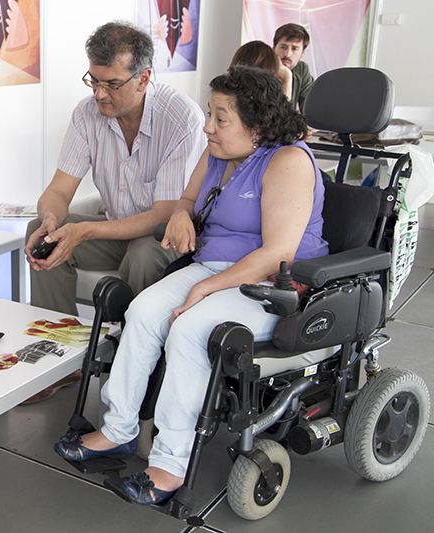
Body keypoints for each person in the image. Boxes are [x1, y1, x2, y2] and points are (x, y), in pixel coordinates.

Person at [54, 65, 328, 505]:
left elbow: (278, 254)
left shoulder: (288, 161)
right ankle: (119, 429)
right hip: (212, 267)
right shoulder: (218, 151)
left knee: (190, 330)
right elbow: (185, 199)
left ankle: (170, 463)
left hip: (272, 283)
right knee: (142, 312)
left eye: (221, 118)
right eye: (209, 114)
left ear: (256, 125)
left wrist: (206, 288)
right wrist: (182, 213)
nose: (208, 127)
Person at [22, 21, 205, 404]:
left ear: (144, 78)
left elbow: (164, 214)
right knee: (39, 229)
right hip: (114, 229)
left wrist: (86, 232)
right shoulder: (87, 113)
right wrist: (54, 221)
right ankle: (62, 358)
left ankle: (132, 365)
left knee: (141, 252)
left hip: (166, 238)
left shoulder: (181, 118)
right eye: (94, 80)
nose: (100, 93)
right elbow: (58, 190)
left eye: (112, 84)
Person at [272, 23, 314, 111]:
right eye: (283, 47)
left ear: (302, 54)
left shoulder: (301, 69)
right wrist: (287, 78)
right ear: (273, 48)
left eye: (294, 49)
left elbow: (310, 110)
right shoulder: (261, 67)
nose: (287, 54)